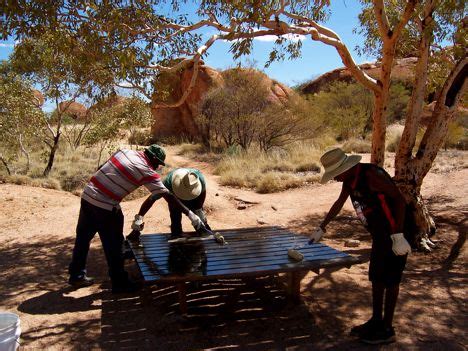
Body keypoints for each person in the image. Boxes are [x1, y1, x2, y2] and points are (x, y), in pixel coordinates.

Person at [68, 145, 206, 293]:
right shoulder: (146, 170)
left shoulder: (125, 151)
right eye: (157, 163)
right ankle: (119, 282)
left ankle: (76, 275)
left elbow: (103, 167)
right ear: (152, 158)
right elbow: (167, 195)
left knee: (83, 238)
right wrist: (191, 215)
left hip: (88, 195)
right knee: (114, 244)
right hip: (104, 205)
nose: (157, 167)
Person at [310, 148, 411, 345]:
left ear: (344, 168)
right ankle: (376, 321)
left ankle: (388, 329)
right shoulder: (349, 180)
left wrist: (398, 235)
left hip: (395, 233)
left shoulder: (372, 175)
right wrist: (322, 227)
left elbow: (399, 200)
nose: (334, 179)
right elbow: (339, 203)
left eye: (335, 174)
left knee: (391, 279)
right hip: (380, 236)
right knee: (376, 276)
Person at [128, 168, 211, 240]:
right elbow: (151, 199)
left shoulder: (198, 178)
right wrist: (138, 221)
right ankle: (176, 241)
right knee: (176, 222)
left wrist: (199, 211)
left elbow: (201, 197)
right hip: (174, 200)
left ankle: (207, 234)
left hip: (194, 199)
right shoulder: (168, 183)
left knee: (201, 224)